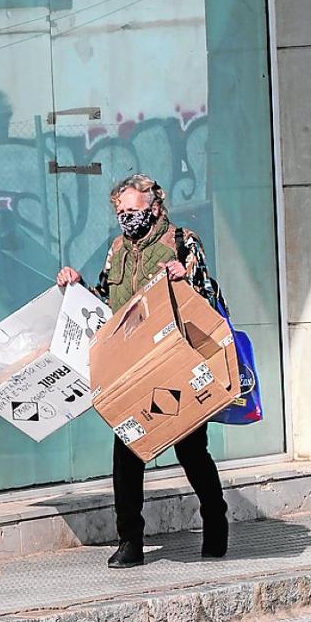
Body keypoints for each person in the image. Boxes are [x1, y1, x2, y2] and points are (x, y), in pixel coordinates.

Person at [56, 174, 228, 569]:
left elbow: (207, 296)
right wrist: (76, 286)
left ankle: (215, 519)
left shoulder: (182, 242)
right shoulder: (117, 250)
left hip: (176, 363)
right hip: (133, 367)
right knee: (127, 454)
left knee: (191, 450)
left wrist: (186, 278)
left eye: (133, 210)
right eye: (120, 211)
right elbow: (104, 302)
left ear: (154, 207)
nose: (126, 218)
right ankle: (130, 540)